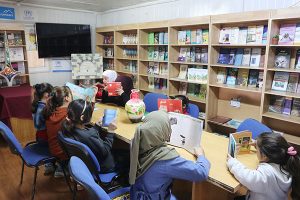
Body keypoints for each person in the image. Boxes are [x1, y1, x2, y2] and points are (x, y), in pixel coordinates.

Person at [129, 110, 211, 199]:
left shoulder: (138, 142)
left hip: (137, 195)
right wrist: (201, 155)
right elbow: (201, 173)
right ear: (162, 131)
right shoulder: (165, 160)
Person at [227, 132, 300, 200]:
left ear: (265, 156)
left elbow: (248, 178)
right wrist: (257, 144)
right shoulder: (286, 162)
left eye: (258, 150)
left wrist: (233, 163)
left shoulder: (267, 173)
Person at [62, 99, 117, 173]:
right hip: (104, 166)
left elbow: (87, 135)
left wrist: (96, 126)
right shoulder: (89, 136)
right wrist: (110, 132)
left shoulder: (67, 127)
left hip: (86, 165)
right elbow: (105, 151)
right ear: (82, 117)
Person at [43, 86, 73, 177]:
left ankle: (60, 166)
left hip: (52, 149)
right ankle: (64, 167)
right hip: (63, 152)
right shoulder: (69, 114)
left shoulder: (50, 111)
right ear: (67, 98)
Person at [31, 82, 55, 174]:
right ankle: (52, 166)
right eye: (51, 94)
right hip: (44, 136)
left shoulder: (38, 105)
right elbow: (38, 123)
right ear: (46, 95)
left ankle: (50, 165)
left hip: (40, 135)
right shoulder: (43, 108)